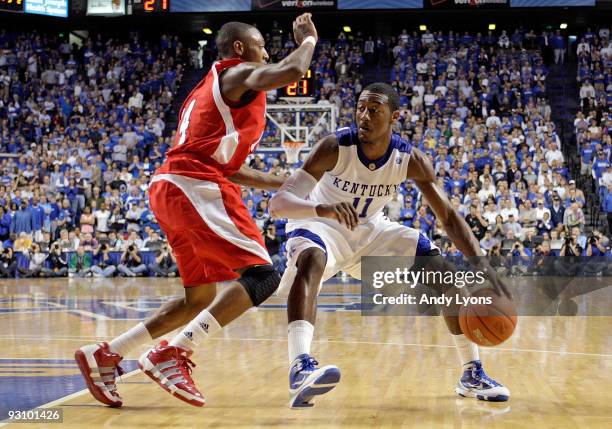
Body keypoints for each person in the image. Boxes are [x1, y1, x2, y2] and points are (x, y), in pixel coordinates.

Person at [75, 14, 318, 408]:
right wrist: (307, 41)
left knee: (197, 298)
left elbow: (231, 167)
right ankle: (173, 351)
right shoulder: (236, 73)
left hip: (173, 185)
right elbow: (291, 69)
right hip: (194, 184)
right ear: (239, 49)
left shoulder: (210, 90)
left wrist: (284, 182)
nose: (266, 51)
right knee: (263, 276)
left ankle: (106, 354)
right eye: (260, 45)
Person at [270, 83, 512, 408]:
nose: (364, 116)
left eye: (374, 110)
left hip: (370, 231)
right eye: (360, 108)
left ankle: (472, 372)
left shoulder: (409, 159)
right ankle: (300, 367)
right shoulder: (334, 147)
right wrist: (321, 210)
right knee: (312, 258)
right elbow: (279, 203)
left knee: (443, 273)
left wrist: (483, 265)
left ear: (394, 116)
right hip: (320, 225)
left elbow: (449, 218)